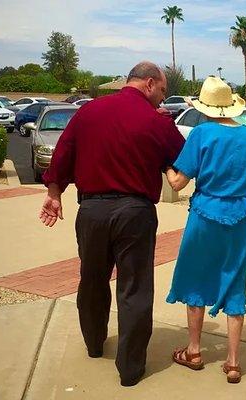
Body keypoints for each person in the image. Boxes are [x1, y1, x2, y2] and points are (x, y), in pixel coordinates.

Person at [38, 61, 185, 387]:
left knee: (91, 279)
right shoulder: (155, 121)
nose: (163, 100)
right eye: (162, 91)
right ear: (149, 83)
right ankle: (130, 369)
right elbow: (184, 159)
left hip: (91, 211)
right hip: (135, 213)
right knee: (134, 288)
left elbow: (63, 152)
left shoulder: (88, 112)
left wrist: (54, 192)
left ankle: (94, 344)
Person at [165, 76, 246, 384]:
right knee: (236, 279)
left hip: (207, 214)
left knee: (196, 276)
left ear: (205, 106)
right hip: (244, 215)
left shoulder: (201, 133)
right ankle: (233, 362)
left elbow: (177, 183)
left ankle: (194, 351)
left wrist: (164, 164)